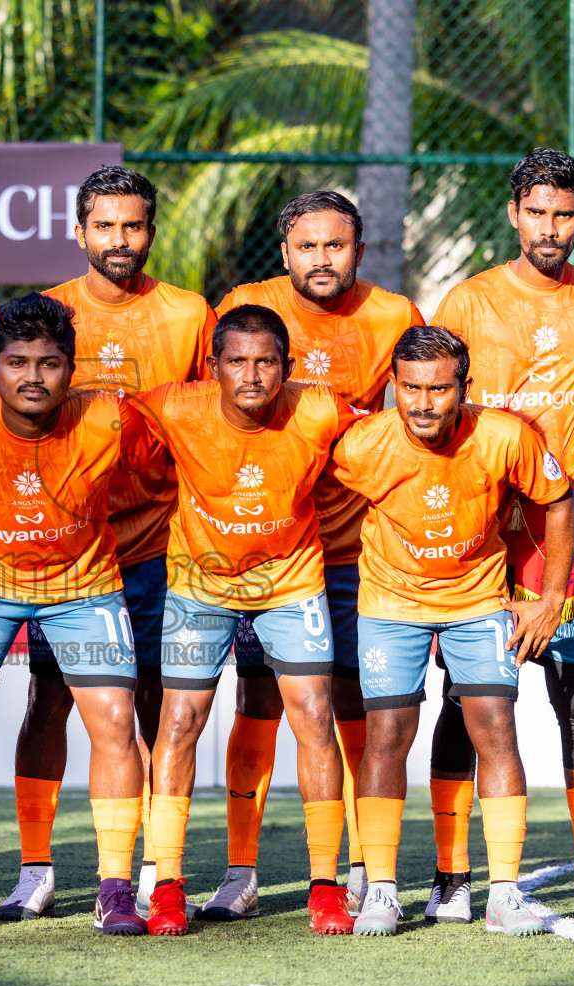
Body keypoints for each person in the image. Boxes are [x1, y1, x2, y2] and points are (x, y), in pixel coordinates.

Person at [426, 148, 574, 922]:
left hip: (565, 533)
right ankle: (451, 876)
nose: (551, 228)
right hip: (479, 534)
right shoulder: (467, 300)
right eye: (537, 211)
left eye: (565, 213)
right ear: (513, 213)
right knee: (463, 698)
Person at [207, 190, 424, 918]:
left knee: (354, 701)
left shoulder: (394, 316)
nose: (321, 259)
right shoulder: (246, 303)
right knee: (259, 698)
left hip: (356, 551)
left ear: (358, 252)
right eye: (308, 246)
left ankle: (361, 862)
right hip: (270, 552)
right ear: (285, 252)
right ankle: (241, 870)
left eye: (336, 246)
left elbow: (413, 425)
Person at [8, 166, 216, 919]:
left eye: (133, 227)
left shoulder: (190, 314)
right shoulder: (44, 313)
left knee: (160, 706)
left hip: (162, 543)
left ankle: (160, 868)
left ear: (151, 233)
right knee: (51, 699)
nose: (119, 240)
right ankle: (36, 866)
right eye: (105, 226)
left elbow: (208, 418)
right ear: (79, 230)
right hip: (70, 550)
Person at [0, 292, 156, 936]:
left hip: (85, 584)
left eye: (48, 363)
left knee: (115, 719)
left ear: (71, 370)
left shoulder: (110, 419)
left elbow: (177, 456)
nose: (32, 377)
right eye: (16, 362)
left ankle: (115, 888)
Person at [329, 325, 574, 937]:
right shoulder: (362, 445)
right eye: (410, 389)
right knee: (387, 729)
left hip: (478, 599)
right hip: (391, 601)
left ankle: (504, 892)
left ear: (464, 388)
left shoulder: (504, 436)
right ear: (392, 386)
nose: (423, 403)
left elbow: (560, 499)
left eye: (439, 390)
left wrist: (549, 601)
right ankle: (382, 889)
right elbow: (306, 489)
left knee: (495, 725)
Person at [136, 304, 359, 937]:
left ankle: (324, 887)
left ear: (287, 367)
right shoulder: (175, 406)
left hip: (291, 583)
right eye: (237, 361)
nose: (252, 375)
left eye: (266, 362)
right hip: (200, 585)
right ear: (214, 367)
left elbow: (389, 440)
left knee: (315, 715)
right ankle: (168, 885)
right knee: (179, 721)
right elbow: (99, 426)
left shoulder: (319, 409)